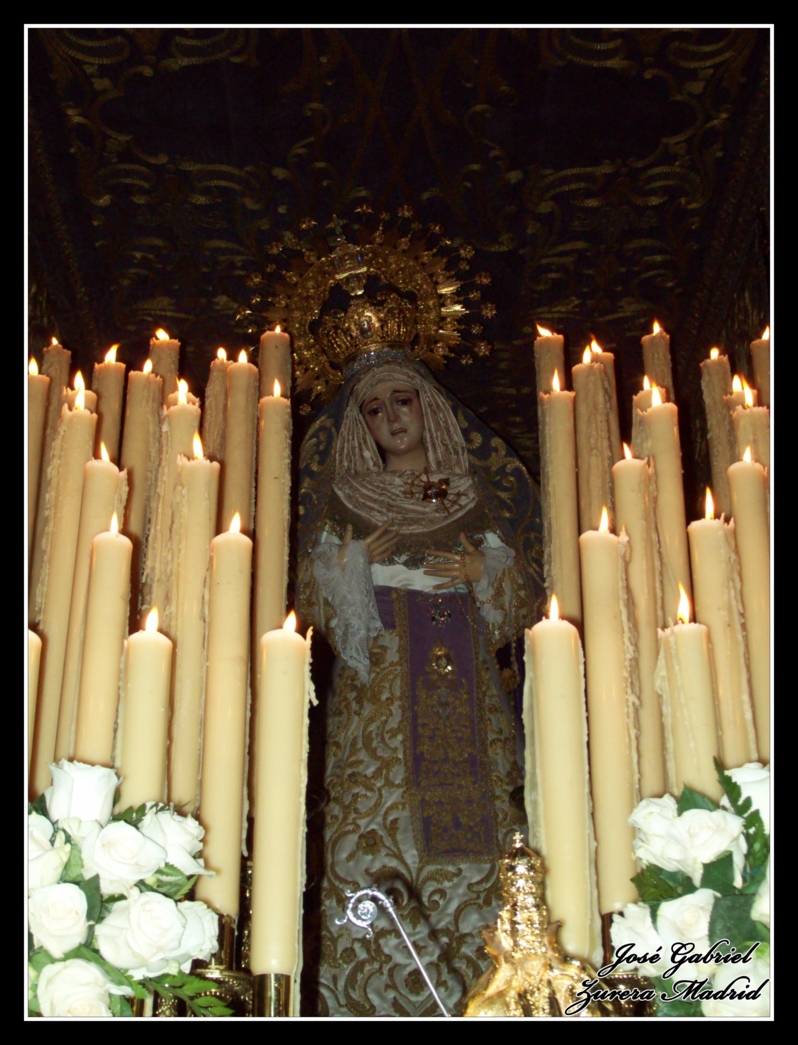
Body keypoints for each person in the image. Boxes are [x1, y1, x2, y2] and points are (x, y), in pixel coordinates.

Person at [298, 348, 544, 1017]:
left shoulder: (473, 493)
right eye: (374, 410)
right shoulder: (346, 500)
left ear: (427, 405)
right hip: (380, 695)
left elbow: (520, 594)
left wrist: (480, 572)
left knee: (489, 834)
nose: (391, 419)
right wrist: (352, 562)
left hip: (466, 686)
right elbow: (312, 601)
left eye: (401, 401)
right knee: (380, 825)